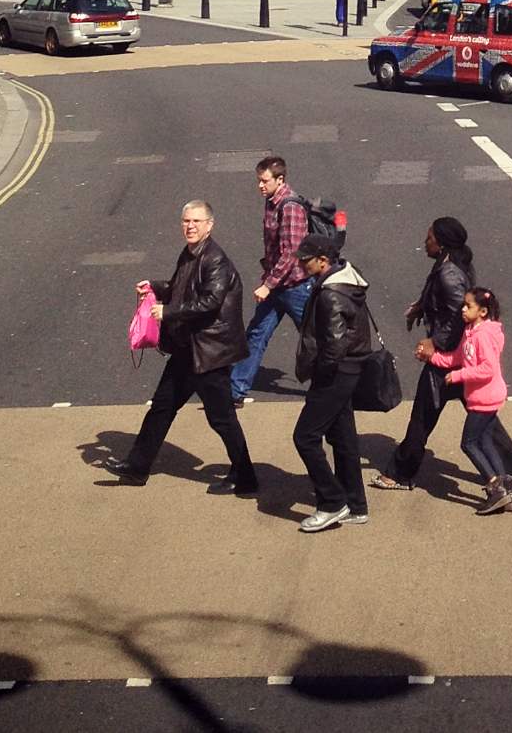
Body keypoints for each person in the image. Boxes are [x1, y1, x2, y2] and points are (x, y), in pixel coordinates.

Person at [104, 201, 257, 495]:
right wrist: (155, 287)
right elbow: (179, 288)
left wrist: (168, 311)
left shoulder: (215, 260)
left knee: (222, 418)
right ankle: (137, 468)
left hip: (210, 352)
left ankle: (246, 476)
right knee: (162, 407)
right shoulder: (189, 254)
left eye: (197, 221)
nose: (190, 226)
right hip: (188, 349)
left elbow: (210, 302)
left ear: (209, 225)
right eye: (186, 221)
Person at [374, 217, 512, 492]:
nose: (425, 242)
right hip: (460, 358)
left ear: (442, 243)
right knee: (482, 415)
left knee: (422, 418)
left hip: (448, 360)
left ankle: (400, 473)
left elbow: (458, 315)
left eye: (430, 238)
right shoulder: (452, 264)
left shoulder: (448, 273)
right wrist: (421, 307)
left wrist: (434, 342)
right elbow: (447, 303)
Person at [290, 232, 373, 531]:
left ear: (323, 261)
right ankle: (356, 504)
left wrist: (321, 374)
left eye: (306, 260)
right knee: (343, 438)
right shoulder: (348, 281)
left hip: (335, 374)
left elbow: (334, 345)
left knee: (305, 437)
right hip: (351, 370)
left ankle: (332, 502)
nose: (301, 264)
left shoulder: (330, 294)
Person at [230, 156, 315, 404]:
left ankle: (337, 387)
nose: (260, 185)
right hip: (278, 285)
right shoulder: (272, 201)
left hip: (297, 287)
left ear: (280, 179)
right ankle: (235, 391)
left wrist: (268, 285)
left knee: (314, 340)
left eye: (264, 181)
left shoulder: (290, 207)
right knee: (256, 334)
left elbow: (291, 253)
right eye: (259, 180)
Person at [424, 287, 512, 515]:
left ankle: (495, 487)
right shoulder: (470, 331)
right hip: (484, 397)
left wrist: (458, 376)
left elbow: (487, 368)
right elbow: (459, 356)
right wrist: (433, 357)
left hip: (484, 398)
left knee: (469, 443)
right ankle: (504, 487)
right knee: (485, 441)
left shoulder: (483, 335)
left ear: (482, 311)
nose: (463, 309)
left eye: (468, 306)